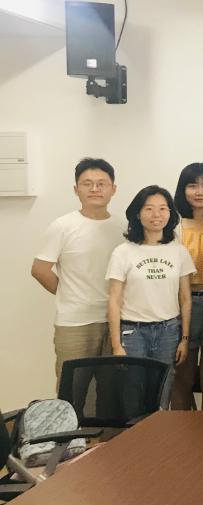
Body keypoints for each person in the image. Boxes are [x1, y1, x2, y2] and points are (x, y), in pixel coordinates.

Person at [32, 158, 125, 407]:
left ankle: (104, 433)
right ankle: (70, 434)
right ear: (76, 189)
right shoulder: (63, 226)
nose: (95, 189)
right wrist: (68, 293)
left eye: (101, 183)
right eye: (87, 183)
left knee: (111, 394)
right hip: (74, 322)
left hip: (115, 321)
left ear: (113, 189)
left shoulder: (123, 227)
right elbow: (40, 270)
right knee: (71, 393)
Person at [106, 186, 194, 384]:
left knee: (162, 389)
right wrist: (116, 345)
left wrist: (185, 339)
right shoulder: (123, 252)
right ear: (138, 214)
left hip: (168, 331)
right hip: (133, 332)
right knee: (133, 390)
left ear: (170, 213)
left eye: (163, 208)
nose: (156, 215)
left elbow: (185, 299)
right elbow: (114, 300)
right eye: (149, 208)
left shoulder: (179, 251)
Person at [170, 162, 203, 410]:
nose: (200, 192)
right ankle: (181, 425)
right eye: (193, 185)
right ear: (183, 190)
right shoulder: (174, 227)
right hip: (184, 303)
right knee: (183, 372)